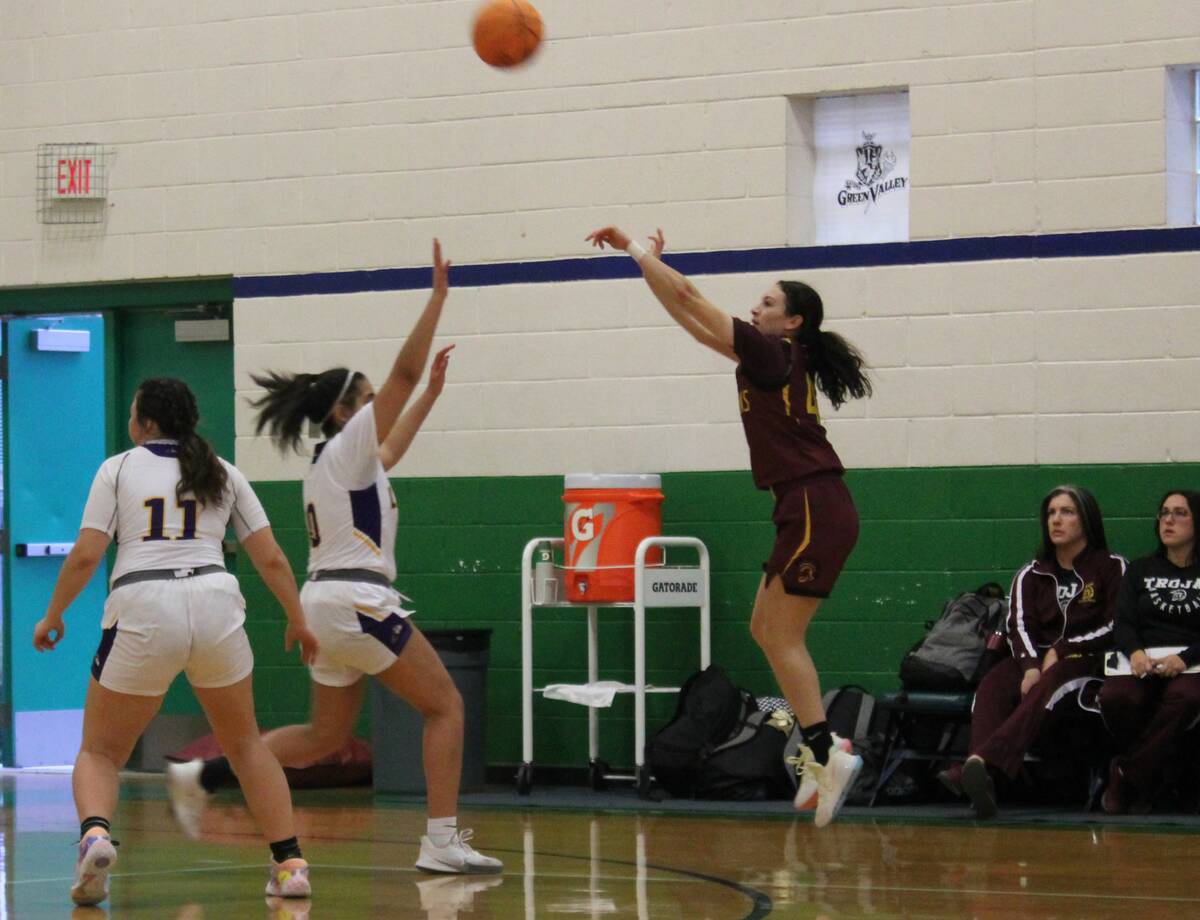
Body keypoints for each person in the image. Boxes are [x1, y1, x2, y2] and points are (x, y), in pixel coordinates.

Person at [168, 239, 502, 874]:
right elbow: (398, 383)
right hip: (356, 601)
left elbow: (396, 442)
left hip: (328, 605)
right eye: (371, 399)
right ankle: (440, 840)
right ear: (346, 412)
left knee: (324, 738)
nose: (383, 406)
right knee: (445, 706)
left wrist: (429, 393)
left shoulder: (345, 460)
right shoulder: (348, 447)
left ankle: (204, 774)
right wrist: (436, 301)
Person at [585, 225, 871, 826]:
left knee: (782, 636)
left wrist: (636, 250)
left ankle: (827, 754)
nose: (755, 308)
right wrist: (649, 271)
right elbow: (690, 318)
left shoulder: (774, 353)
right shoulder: (770, 357)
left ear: (792, 321)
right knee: (766, 629)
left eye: (767, 302)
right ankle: (827, 752)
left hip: (817, 505)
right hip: (804, 507)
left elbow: (692, 299)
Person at [32, 377, 319, 906]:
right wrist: (297, 619)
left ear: (143, 423)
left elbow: (86, 555)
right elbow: (272, 557)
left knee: (100, 750)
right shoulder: (223, 472)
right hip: (215, 601)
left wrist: (53, 614)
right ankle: (290, 865)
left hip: (144, 606)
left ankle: (95, 836)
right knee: (247, 746)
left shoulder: (117, 468)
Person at [938, 485, 1126, 818]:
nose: (1057, 520)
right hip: (1034, 658)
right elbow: (1019, 625)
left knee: (1055, 679)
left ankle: (980, 766)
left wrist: (1064, 648)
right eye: (1051, 513)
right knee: (993, 684)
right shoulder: (1031, 573)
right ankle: (982, 774)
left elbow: (1116, 625)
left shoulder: (1112, 568)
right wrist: (1028, 665)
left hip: (1085, 661)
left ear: (1087, 520)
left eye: (1067, 512)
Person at [1099, 489, 1200, 813]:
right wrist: (1137, 653)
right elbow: (1123, 621)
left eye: (1180, 513)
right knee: (1117, 698)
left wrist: (1184, 658)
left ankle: (1127, 772)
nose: (1168, 520)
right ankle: (1152, 777)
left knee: (1185, 698)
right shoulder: (1140, 570)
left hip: (1191, 663)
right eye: (1164, 512)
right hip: (1142, 660)